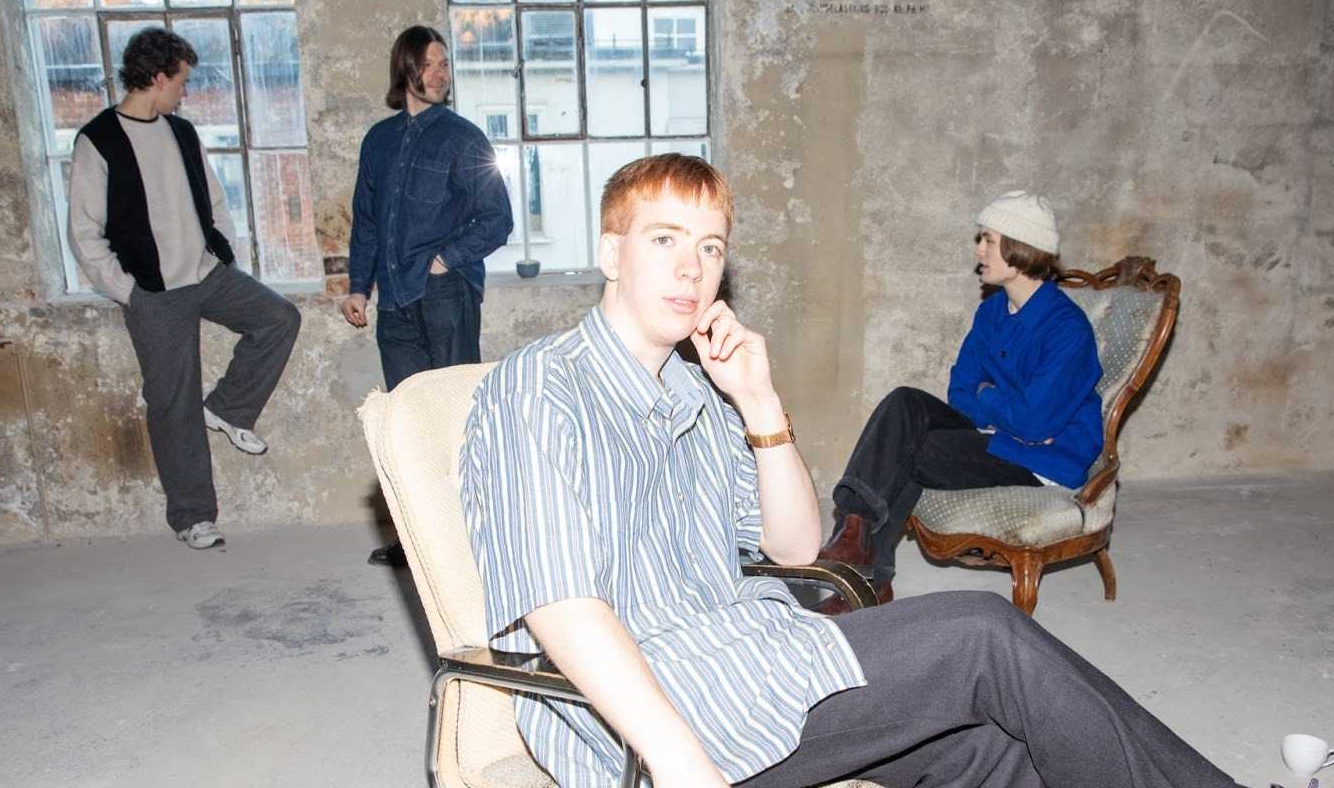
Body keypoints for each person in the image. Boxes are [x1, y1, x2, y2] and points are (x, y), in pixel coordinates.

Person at [460, 155, 1245, 787]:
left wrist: (760, 404)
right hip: (666, 712)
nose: (692, 269)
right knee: (983, 633)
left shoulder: (697, 392)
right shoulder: (540, 387)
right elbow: (561, 607)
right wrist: (679, 762)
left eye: (711, 247)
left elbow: (797, 546)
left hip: (759, 659)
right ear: (611, 253)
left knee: (993, 751)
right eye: (664, 240)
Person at [67, 28, 301, 551]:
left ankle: (228, 409)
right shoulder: (98, 140)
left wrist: (223, 253)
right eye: (182, 82)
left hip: (207, 274)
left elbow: (214, 201)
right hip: (152, 292)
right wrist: (128, 292)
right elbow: (83, 232)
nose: (185, 92)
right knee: (172, 402)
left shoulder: (182, 132)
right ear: (157, 78)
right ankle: (193, 517)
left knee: (279, 318)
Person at [818, 190, 1103, 610]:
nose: (978, 250)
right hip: (1000, 437)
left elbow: (1034, 425)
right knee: (905, 403)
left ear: (1020, 247)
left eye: (988, 240)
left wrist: (990, 398)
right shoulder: (992, 312)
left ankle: (867, 578)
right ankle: (854, 529)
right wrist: (1003, 410)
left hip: (1042, 460)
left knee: (909, 450)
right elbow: (960, 391)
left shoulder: (1067, 329)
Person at [342, 25, 514, 568]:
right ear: (406, 69)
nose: (441, 74)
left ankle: (470, 538)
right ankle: (417, 539)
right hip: (394, 300)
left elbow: (497, 217)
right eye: (430, 64)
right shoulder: (379, 140)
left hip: (445, 293)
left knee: (457, 417)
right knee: (408, 420)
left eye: (445, 65)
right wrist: (358, 286)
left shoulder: (463, 137)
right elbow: (367, 221)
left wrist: (445, 259)